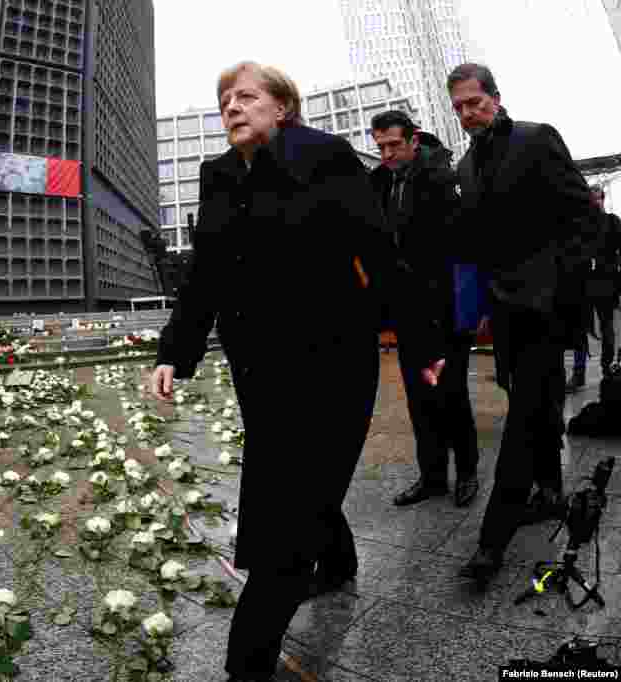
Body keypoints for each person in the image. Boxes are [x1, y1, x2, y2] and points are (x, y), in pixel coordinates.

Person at [147, 61, 444, 682]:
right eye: (224, 98)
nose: (231, 106)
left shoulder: (326, 157)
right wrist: (175, 351)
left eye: (246, 96)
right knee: (296, 474)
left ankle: (247, 662)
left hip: (331, 361)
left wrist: (422, 344)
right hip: (261, 367)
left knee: (288, 511)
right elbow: (207, 275)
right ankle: (336, 563)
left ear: (282, 107)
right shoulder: (218, 174)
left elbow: (377, 251)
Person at [445, 64, 602, 584]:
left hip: (547, 307)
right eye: (460, 107)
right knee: (530, 402)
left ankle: (492, 542)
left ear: (495, 97)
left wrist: (560, 286)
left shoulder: (537, 138)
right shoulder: (465, 167)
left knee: (520, 422)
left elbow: (587, 216)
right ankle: (552, 491)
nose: (468, 114)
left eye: (475, 102)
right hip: (506, 313)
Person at [369, 111, 481, 508]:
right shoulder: (381, 183)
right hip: (407, 311)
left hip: (445, 310)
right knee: (419, 397)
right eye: (380, 146)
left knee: (451, 394)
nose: (387, 153)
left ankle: (467, 472)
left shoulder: (440, 179)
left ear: (413, 140)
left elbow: (464, 247)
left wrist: (467, 309)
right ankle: (432, 476)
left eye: (393, 145)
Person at [566, 185, 621, 391]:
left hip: (607, 284)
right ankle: (578, 374)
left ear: (603, 200)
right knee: (579, 330)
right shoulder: (580, 225)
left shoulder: (613, 222)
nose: (595, 202)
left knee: (607, 329)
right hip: (584, 284)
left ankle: (607, 369)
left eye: (598, 199)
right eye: (592, 199)